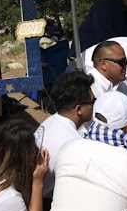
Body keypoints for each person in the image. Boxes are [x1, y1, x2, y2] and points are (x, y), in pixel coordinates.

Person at [34, 71, 96, 201]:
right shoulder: (73, 144)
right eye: (92, 102)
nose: (94, 106)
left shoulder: (51, 121)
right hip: (42, 202)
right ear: (79, 109)